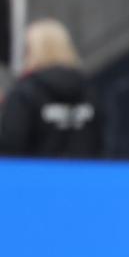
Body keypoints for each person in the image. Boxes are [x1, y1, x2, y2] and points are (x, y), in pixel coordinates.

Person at [0, 19, 103, 158]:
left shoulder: (25, 93)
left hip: (33, 177)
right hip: (82, 177)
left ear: (32, 50)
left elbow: (10, 147)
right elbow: (100, 143)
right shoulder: (89, 91)